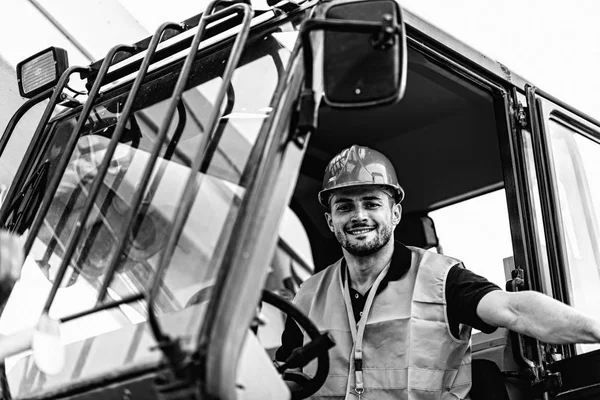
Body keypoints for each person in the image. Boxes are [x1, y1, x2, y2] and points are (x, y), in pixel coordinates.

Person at [275, 144, 600, 399]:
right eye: (344, 206)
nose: (359, 215)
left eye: (371, 203)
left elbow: (514, 310)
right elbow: (289, 377)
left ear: (395, 213)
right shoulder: (307, 295)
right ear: (331, 220)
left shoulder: (440, 279)